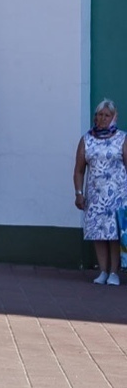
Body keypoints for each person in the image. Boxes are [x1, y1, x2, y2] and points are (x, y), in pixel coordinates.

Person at [73, 99, 127, 285]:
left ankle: (114, 272)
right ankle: (103, 271)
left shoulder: (122, 138)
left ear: (113, 117)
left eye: (106, 115)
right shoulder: (87, 139)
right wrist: (79, 193)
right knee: (98, 233)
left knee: (114, 235)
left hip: (118, 195)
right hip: (96, 196)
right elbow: (79, 170)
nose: (102, 118)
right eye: (99, 115)